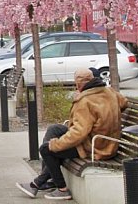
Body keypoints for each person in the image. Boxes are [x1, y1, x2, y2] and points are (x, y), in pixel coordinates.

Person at [16, 68, 128, 200]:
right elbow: (124, 103)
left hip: (93, 147)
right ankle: (47, 180)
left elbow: (78, 134)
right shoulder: (109, 92)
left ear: (78, 84)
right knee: (54, 129)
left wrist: (56, 145)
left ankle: (61, 189)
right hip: (106, 142)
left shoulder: (85, 101)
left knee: (46, 150)